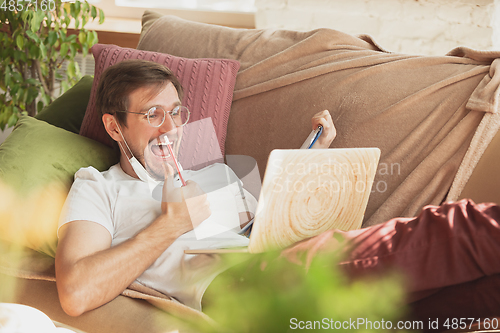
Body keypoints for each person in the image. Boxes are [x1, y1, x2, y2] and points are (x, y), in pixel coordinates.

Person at [55, 59, 500, 320]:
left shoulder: (218, 174)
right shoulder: (99, 188)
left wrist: (310, 163)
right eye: (153, 114)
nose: (171, 128)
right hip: (241, 289)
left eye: (176, 112)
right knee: (461, 228)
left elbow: (273, 225)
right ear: (114, 126)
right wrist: (169, 226)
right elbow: (75, 292)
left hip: (289, 261)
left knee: (478, 299)